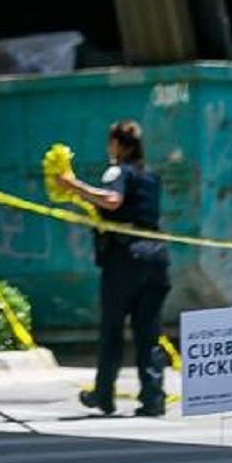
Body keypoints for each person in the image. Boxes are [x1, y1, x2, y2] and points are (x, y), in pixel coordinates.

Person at [57, 120, 172, 418]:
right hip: (156, 256)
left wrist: (74, 187)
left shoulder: (116, 171)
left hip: (125, 258)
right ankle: (153, 397)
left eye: (111, 143)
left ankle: (104, 394)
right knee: (148, 331)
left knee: (112, 329)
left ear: (118, 145)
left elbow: (112, 200)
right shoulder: (150, 175)